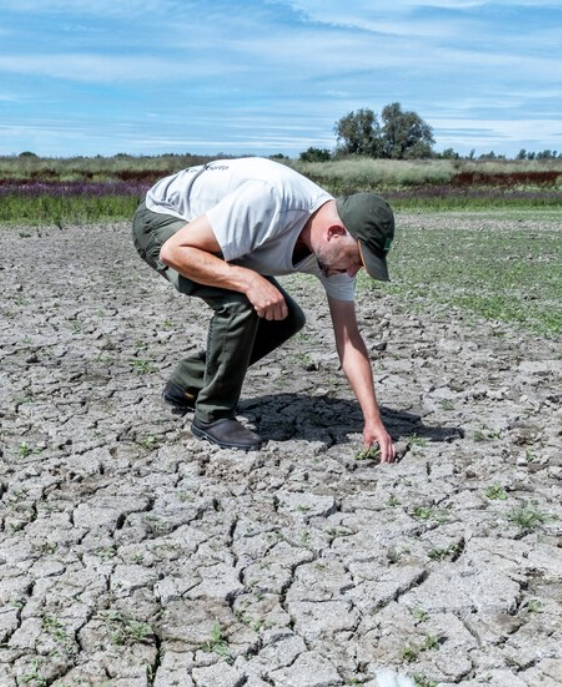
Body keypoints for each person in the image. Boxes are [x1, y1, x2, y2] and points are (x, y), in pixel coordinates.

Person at [131, 157, 397, 461]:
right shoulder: (272, 200)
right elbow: (174, 250)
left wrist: (373, 419)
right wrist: (248, 280)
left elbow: (349, 340)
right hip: (163, 219)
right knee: (244, 298)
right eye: (355, 261)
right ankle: (213, 415)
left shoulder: (334, 259)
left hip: (212, 234)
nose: (352, 273)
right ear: (333, 232)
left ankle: (188, 383)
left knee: (285, 318)